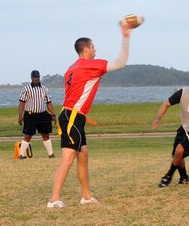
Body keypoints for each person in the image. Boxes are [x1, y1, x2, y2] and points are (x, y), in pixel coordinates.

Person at [47, 23, 131, 208]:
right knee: (68, 158)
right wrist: (126, 37)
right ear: (85, 49)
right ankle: (54, 199)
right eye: (93, 47)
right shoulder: (90, 65)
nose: (95, 50)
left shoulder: (71, 68)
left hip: (72, 116)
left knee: (83, 155)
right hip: (72, 117)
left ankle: (86, 196)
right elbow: (120, 62)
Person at [17, 70, 57, 159]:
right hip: (30, 115)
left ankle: (51, 154)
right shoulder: (26, 88)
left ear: (39, 78)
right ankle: (21, 154)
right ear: (31, 78)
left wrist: (53, 114)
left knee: (45, 134)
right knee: (28, 135)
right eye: (34, 77)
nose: (36, 79)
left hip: (42, 114)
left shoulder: (44, 89)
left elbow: (49, 103)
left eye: (37, 77)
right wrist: (20, 116)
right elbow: (22, 103)